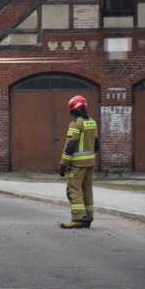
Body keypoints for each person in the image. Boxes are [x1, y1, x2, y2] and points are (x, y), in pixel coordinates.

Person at [59, 95, 99, 229]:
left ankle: (78, 218)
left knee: (74, 190)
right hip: (90, 163)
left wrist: (63, 163)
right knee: (87, 190)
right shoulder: (92, 122)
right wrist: (90, 157)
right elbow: (97, 144)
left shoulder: (75, 123)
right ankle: (88, 217)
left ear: (73, 110)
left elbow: (71, 144)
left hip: (76, 165)